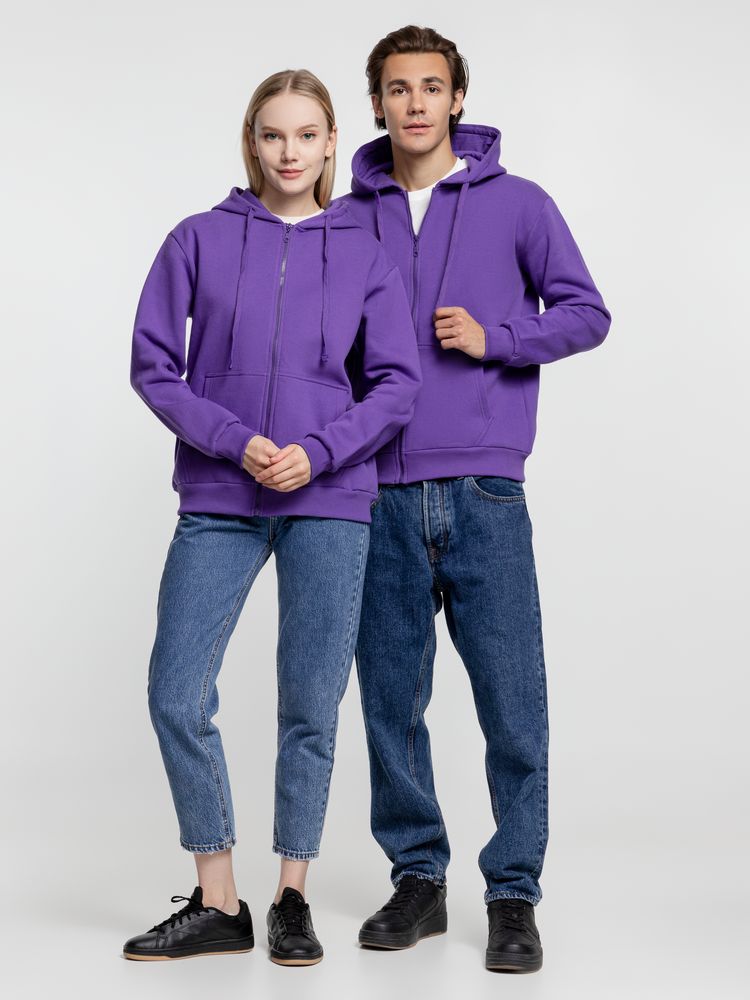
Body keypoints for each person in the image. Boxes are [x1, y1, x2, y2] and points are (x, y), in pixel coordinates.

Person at [122, 68, 421, 967]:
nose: (290, 152)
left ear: (331, 145)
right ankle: (219, 898)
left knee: (310, 705)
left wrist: (320, 451)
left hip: (330, 500)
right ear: (252, 141)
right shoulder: (198, 238)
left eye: (307, 135)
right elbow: (152, 366)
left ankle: (292, 896)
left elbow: (396, 384)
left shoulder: (364, 252)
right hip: (222, 498)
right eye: (273, 134)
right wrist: (232, 439)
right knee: (177, 692)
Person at [338, 25, 612, 972]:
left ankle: (512, 893)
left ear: (458, 98)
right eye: (397, 88)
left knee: (512, 701)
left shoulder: (519, 202)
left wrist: (499, 337)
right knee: (390, 701)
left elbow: (586, 312)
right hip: (375, 491)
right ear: (377, 103)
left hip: (486, 488)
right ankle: (418, 878)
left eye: (431, 86)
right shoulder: (345, 216)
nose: (415, 102)